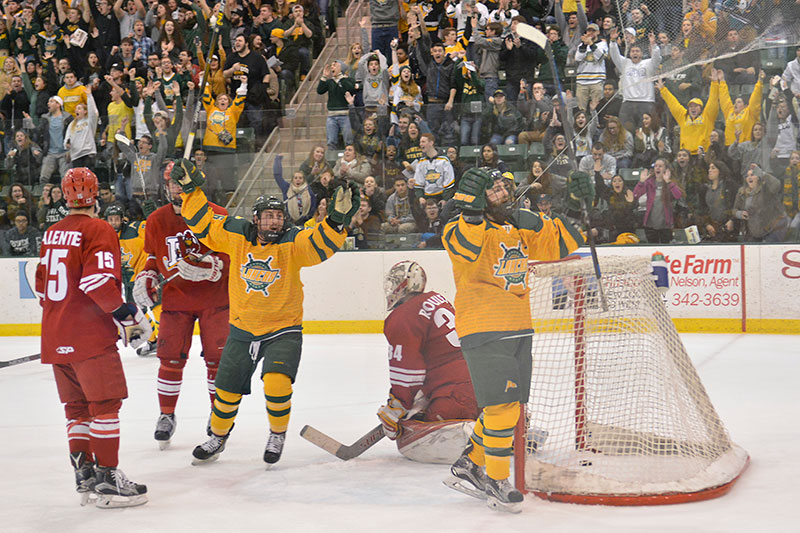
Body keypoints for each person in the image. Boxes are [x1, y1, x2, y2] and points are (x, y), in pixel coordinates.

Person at [169, 158, 360, 466]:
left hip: (283, 328)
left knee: (276, 383)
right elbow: (204, 225)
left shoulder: (293, 241)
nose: (274, 222)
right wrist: (191, 191)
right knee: (226, 391)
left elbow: (319, 245)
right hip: (243, 329)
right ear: (255, 219)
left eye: (278, 217)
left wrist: (336, 220)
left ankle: (277, 433)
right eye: (268, 217)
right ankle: (218, 437)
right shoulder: (238, 235)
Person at [441, 168, 584, 513]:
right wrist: (472, 211)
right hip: (484, 325)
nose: (503, 192)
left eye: (505, 186)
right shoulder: (458, 228)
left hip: (519, 325)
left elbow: (561, 245)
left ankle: (470, 464)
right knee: (504, 405)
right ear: (476, 198)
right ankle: (496, 478)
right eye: (493, 189)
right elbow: (467, 246)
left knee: (511, 405)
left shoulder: (516, 225)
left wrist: (576, 206)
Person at [35, 167, 150, 508]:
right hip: (88, 338)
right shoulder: (98, 228)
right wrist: (130, 316)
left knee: (77, 409)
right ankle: (108, 477)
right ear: (96, 193)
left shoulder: (53, 232)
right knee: (104, 406)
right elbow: (97, 282)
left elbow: (43, 290)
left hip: (55, 334)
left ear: (65, 194)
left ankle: (84, 473)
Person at [132, 163, 230, 449]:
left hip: (215, 300)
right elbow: (153, 255)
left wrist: (214, 266)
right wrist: (148, 274)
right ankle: (166, 414)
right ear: (166, 188)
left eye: (181, 183)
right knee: (170, 359)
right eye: (172, 184)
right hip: (175, 300)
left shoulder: (218, 215)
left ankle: (218, 416)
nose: (177, 189)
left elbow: (232, 255)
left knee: (216, 361)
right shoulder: (156, 220)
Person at [378, 261, 479, 463]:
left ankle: (471, 432)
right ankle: (504, 428)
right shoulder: (438, 299)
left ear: (403, 285)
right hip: (483, 389)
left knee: (408, 439)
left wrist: (395, 409)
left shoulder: (402, 317)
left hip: (455, 397)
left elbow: (407, 373)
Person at [657, 69, 720, 156]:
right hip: (686, 154)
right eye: (691, 106)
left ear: (701, 108)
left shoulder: (708, 116)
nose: (693, 108)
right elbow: (673, 104)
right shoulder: (683, 116)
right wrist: (663, 90)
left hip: (702, 153)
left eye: (696, 106)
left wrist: (715, 83)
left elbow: (713, 100)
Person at [608, 29, 661, 131]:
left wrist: (653, 45)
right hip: (628, 102)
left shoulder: (649, 64)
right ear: (630, 53)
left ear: (641, 53)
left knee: (646, 130)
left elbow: (657, 58)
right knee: (626, 130)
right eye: (633, 51)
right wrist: (613, 42)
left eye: (637, 51)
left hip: (646, 101)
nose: (635, 53)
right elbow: (614, 55)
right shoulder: (624, 63)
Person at [732, 164, 788, 242]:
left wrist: (762, 173)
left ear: (759, 178)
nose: (749, 177)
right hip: (753, 231)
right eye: (747, 176)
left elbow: (776, 184)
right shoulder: (741, 192)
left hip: (772, 229)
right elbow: (734, 210)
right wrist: (739, 213)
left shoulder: (767, 189)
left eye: (752, 175)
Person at [633, 161, 682, 243]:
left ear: (665, 170)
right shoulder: (649, 183)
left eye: (660, 166)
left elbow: (678, 195)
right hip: (650, 224)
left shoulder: (669, 183)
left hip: (665, 224)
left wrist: (668, 182)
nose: (657, 168)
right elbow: (635, 195)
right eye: (656, 166)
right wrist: (641, 182)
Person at [413, 133, 455, 203]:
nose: (420, 144)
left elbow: (449, 183)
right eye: (420, 142)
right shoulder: (421, 162)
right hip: (426, 198)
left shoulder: (444, 160)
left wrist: (445, 199)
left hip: (441, 196)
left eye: (423, 142)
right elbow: (418, 183)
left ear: (431, 143)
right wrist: (420, 197)